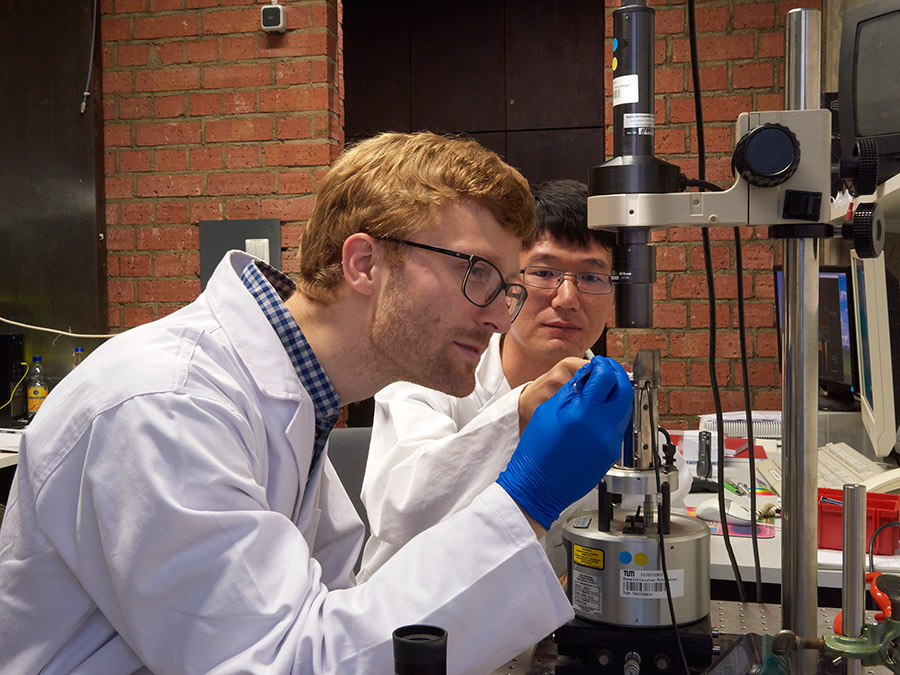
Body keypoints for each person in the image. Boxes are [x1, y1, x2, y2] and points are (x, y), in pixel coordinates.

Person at [0, 132, 633, 674]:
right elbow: (285, 661)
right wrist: (526, 498)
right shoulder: (167, 404)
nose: (500, 314)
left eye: (507, 287)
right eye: (477, 274)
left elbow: (335, 609)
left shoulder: (296, 400)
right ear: (364, 263)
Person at [359, 179, 621, 580]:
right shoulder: (428, 369)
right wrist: (519, 413)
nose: (567, 298)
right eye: (544, 272)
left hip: (545, 629)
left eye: (591, 277)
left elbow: (659, 501)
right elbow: (398, 508)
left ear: (615, 297)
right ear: (508, 282)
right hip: (413, 625)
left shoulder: (612, 399)